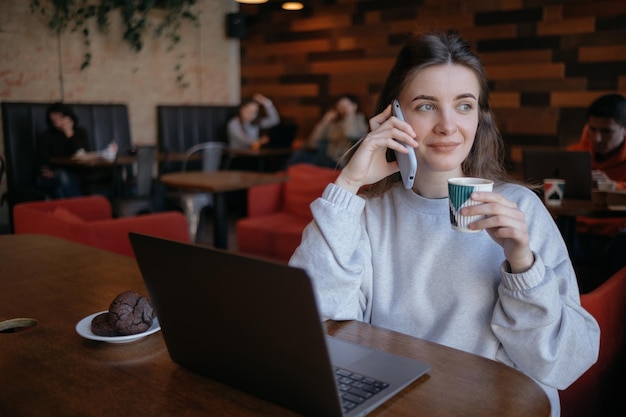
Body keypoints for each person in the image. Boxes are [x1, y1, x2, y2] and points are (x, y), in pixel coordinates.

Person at [289, 30, 599, 417]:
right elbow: (315, 327)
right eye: (425, 106)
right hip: (398, 405)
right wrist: (348, 184)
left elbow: (566, 362)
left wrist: (523, 266)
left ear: (479, 116)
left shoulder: (520, 209)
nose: (448, 126)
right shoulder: (366, 212)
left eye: (464, 106)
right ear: (393, 115)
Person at [567, 93, 626, 275]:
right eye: (592, 129)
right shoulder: (574, 154)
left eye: (606, 131)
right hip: (576, 230)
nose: (597, 138)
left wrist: (612, 187)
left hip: (615, 235)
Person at [288, 94, 368, 168]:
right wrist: (324, 121)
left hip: (339, 160)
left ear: (354, 106)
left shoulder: (360, 121)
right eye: (339, 106)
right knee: (299, 155)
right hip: (325, 155)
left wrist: (350, 115)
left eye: (345, 106)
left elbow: (350, 134)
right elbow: (313, 142)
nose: (342, 109)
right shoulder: (334, 123)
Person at [36, 102, 89, 198]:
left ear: (69, 117)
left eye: (60, 119)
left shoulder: (80, 132)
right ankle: (80, 209)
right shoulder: (47, 136)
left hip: (76, 174)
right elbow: (43, 160)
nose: (57, 123)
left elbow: (82, 153)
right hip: (49, 176)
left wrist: (69, 133)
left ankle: (67, 212)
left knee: (59, 190)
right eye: (54, 121)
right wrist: (46, 170)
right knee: (62, 176)